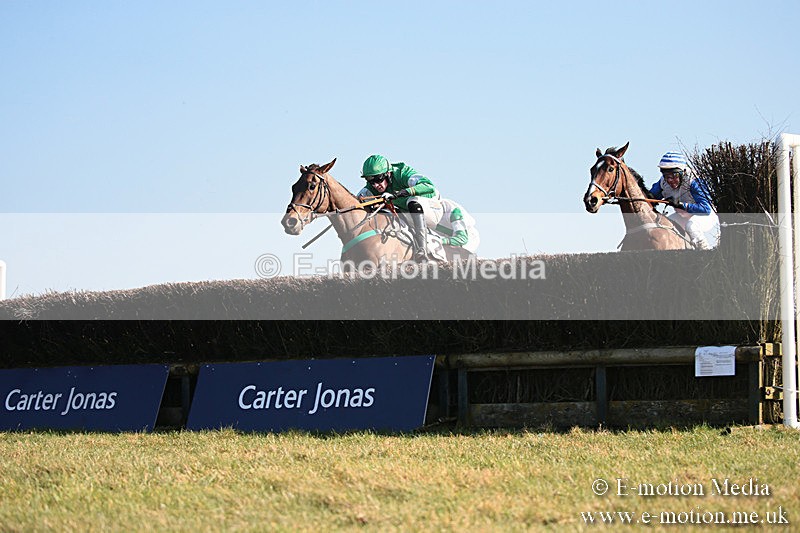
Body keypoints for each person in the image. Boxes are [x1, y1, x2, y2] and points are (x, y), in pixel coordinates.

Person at [357, 154, 466, 261]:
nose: (375, 185)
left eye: (378, 179)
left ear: (388, 173)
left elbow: (429, 186)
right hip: (409, 214)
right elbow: (355, 202)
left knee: (412, 201)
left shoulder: (402, 172)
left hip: (432, 209)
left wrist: (401, 193)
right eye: (371, 181)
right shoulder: (371, 188)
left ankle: (421, 249)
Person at [649, 151, 719, 250]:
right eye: (666, 175)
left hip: (705, 216)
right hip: (683, 216)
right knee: (663, 225)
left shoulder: (694, 181)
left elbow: (705, 209)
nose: (669, 180)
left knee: (692, 226)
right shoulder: (662, 182)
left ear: (682, 172)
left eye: (674, 176)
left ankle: (706, 253)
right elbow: (650, 198)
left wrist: (681, 205)